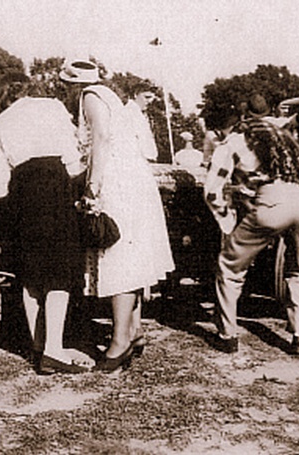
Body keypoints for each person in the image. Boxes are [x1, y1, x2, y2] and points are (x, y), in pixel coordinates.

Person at [60, 60, 174, 371]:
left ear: (75, 85)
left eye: (67, 86)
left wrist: (93, 186)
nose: (67, 91)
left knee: (118, 258)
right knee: (130, 258)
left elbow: (102, 139)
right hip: (134, 180)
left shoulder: (91, 97)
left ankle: (120, 340)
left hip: (118, 183)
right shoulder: (109, 95)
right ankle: (133, 331)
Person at [0, 83, 92, 374]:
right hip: (52, 184)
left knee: (31, 274)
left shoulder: (0, 121)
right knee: (59, 273)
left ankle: (39, 345)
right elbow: (72, 161)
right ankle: (54, 351)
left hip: (20, 190)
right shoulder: (51, 107)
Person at [204, 94, 299, 355]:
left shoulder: (233, 141)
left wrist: (227, 222)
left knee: (230, 266)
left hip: (270, 207)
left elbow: (211, 191)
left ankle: (227, 335)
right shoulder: (286, 138)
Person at [124, 86, 158, 162]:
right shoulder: (128, 112)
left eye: (152, 99)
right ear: (136, 94)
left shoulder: (140, 114)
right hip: (135, 161)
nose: (149, 101)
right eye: (147, 97)